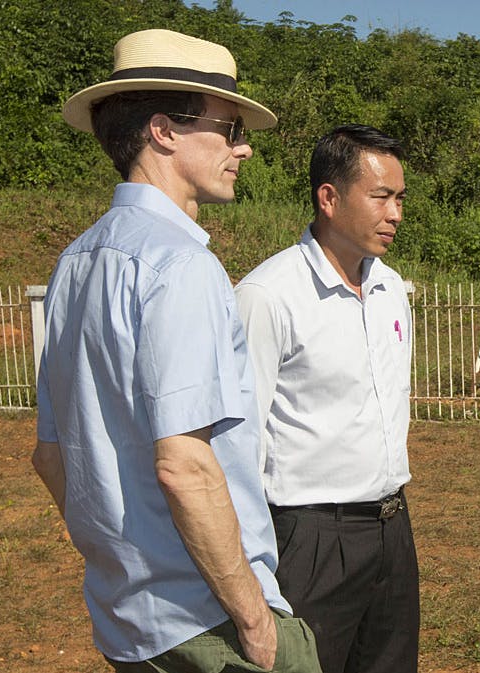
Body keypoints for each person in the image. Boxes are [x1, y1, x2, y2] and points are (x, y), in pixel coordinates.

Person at [31, 29, 320, 672]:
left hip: (128, 620)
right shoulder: (180, 266)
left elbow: (52, 456)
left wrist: (123, 557)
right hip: (209, 618)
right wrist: (255, 620)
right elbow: (184, 467)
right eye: (229, 128)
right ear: (164, 131)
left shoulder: (74, 264)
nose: (243, 147)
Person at [235, 124, 417, 673]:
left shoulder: (391, 289)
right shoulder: (268, 296)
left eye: (400, 198)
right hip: (309, 539)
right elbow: (240, 445)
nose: (395, 214)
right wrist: (251, 569)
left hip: (392, 529)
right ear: (329, 198)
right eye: (381, 197)